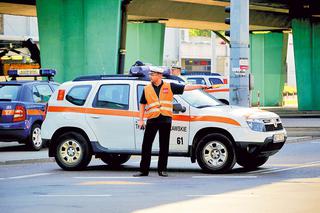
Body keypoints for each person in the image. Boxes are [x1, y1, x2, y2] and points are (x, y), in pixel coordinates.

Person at [134, 66, 208, 177]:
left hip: (165, 119)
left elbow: (186, 88)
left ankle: (162, 170)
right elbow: (142, 104)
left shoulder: (169, 86)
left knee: (164, 146)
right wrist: (140, 120)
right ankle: (143, 170)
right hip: (152, 119)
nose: (150, 76)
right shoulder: (147, 89)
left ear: (159, 75)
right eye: (150, 74)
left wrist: (200, 86)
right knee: (146, 145)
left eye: (153, 75)